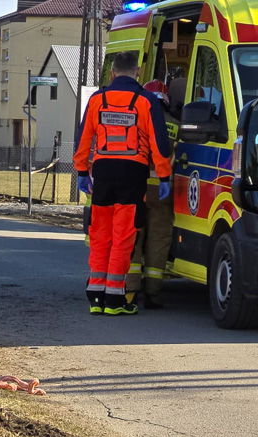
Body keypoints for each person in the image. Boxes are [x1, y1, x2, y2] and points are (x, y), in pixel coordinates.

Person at [74, 51, 172, 316]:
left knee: (100, 233)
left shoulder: (98, 99)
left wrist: (82, 171)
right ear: (137, 72)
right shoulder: (146, 100)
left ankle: (96, 296)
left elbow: (83, 138)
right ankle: (115, 299)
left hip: (103, 171)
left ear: (113, 72)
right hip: (133, 172)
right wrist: (164, 176)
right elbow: (159, 143)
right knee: (123, 234)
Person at [126, 79, 177, 309]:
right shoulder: (176, 124)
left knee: (134, 237)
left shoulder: (136, 119)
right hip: (163, 191)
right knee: (159, 239)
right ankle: (154, 293)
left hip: (136, 186)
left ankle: (131, 289)